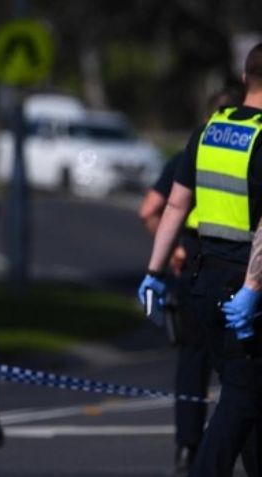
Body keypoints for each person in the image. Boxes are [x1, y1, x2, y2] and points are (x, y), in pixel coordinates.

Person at [139, 43, 262, 477]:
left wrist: (154, 272)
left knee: (246, 395)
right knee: (242, 398)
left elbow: (174, 205)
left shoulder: (209, 130)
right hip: (246, 286)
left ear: (245, 79)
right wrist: (252, 290)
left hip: (204, 281)